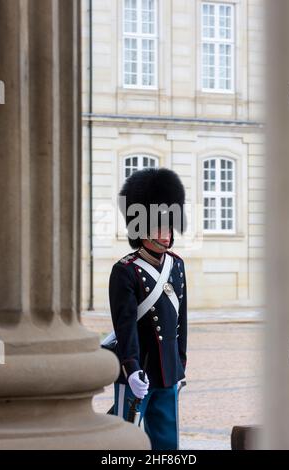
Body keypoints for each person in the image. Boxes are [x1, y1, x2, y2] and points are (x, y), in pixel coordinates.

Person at [108, 168, 188, 450]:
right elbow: (125, 325)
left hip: (167, 370)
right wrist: (130, 368)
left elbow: (180, 323)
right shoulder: (125, 270)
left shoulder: (176, 265)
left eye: (168, 226)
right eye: (158, 227)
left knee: (166, 443)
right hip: (138, 371)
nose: (165, 234)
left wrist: (180, 364)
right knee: (124, 442)